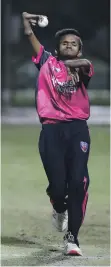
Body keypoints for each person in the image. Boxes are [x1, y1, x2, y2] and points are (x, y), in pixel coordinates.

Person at [22, 12, 94, 256]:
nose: (69, 45)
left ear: (79, 50)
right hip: (51, 129)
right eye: (65, 43)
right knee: (57, 184)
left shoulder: (84, 66)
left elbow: (84, 67)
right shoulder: (46, 63)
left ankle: (72, 238)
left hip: (77, 130)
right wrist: (27, 24)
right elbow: (30, 37)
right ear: (57, 48)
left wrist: (66, 64)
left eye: (74, 44)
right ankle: (58, 205)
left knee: (78, 182)